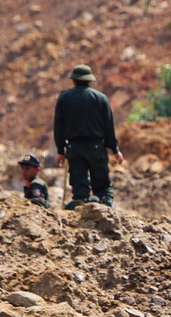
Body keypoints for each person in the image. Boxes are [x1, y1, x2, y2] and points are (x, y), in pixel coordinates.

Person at [53, 64, 123, 209]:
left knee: (79, 191)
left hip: (74, 147)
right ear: (89, 80)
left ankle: (81, 212)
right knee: (103, 189)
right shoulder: (101, 98)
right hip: (96, 147)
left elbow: (58, 127)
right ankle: (106, 212)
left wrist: (60, 150)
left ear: (73, 80)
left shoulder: (64, 98)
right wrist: (115, 149)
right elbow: (109, 127)